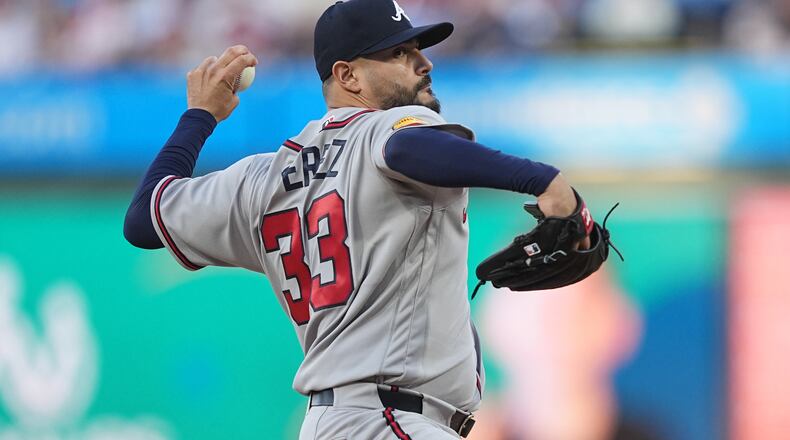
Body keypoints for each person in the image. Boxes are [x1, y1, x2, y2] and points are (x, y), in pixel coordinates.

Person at [123, 0, 588, 438]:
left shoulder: (259, 180)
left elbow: (143, 220)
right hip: (389, 416)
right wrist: (543, 181)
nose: (423, 64)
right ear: (348, 76)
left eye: (418, 50)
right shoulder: (384, 128)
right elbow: (409, 147)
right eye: (399, 53)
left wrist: (200, 116)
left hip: (338, 421)